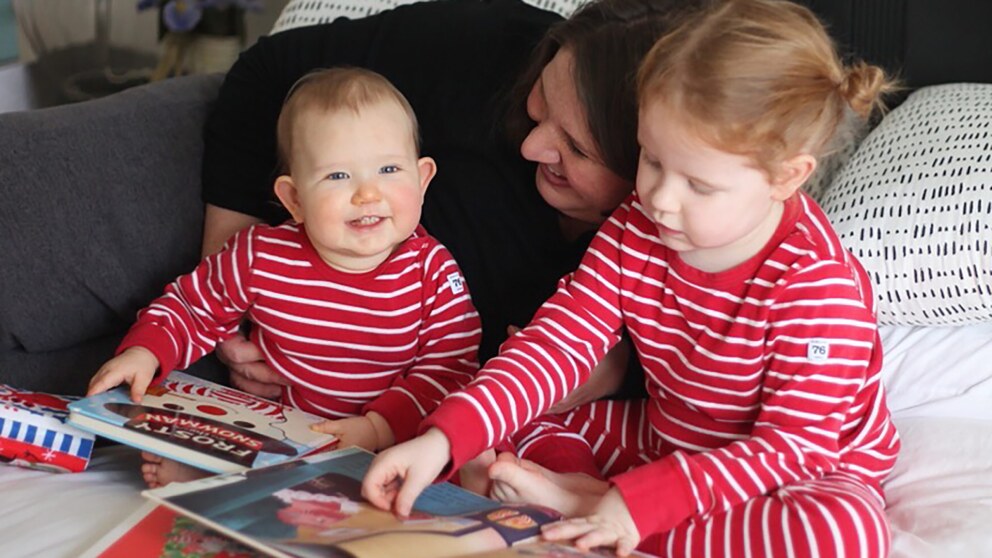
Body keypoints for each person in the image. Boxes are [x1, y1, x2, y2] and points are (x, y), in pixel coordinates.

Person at [362, 1, 902, 556]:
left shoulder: (816, 285)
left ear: (785, 177)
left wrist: (636, 506)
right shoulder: (637, 226)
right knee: (498, 415)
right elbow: (559, 342)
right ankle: (586, 492)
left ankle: (588, 506)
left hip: (789, 473)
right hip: (667, 436)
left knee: (842, 535)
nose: (660, 199)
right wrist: (442, 439)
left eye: (699, 184)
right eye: (652, 159)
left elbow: (790, 449)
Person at [201, 0, 695, 411]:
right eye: (542, 98)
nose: (531, 148)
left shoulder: (705, 240)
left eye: (577, 149)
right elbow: (265, 76)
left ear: (653, 166)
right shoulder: (482, 46)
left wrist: (619, 373)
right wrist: (227, 285)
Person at [87, 67, 482, 486]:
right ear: (294, 199)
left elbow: (450, 371)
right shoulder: (261, 255)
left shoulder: (432, 271)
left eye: (388, 170)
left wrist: (377, 429)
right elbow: (193, 307)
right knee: (254, 448)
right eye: (338, 176)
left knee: (456, 462)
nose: (367, 194)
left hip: (396, 443)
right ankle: (206, 474)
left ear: (422, 180)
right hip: (291, 433)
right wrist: (144, 353)